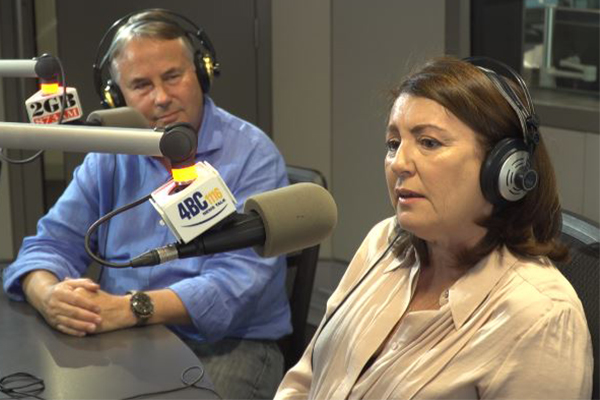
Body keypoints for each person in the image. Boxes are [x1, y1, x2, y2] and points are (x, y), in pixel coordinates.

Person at [3, 9, 291, 399]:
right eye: (141, 85)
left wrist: (129, 308)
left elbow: (233, 284)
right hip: (121, 333)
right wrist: (49, 296)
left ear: (201, 73)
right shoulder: (110, 154)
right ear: (116, 96)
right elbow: (49, 244)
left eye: (173, 76)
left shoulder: (253, 155)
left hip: (228, 345)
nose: (162, 98)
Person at [275, 56, 593, 399]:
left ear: (505, 170)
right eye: (393, 144)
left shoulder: (540, 318)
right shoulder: (383, 242)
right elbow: (306, 379)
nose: (399, 163)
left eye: (428, 142)